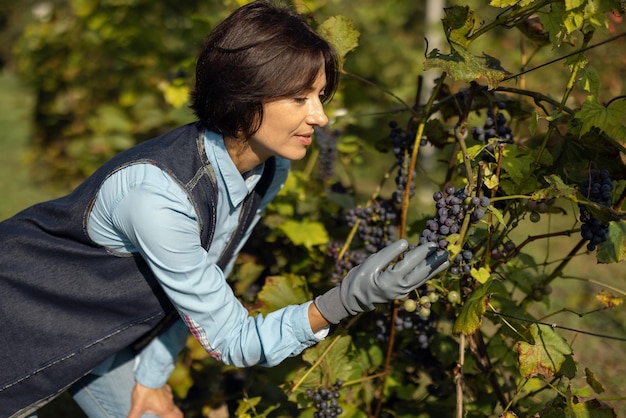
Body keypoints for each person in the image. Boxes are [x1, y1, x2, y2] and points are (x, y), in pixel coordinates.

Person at [0, 1, 449, 417]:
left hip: (100, 337)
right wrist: (344, 301)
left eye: (320, 96)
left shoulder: (267, 171)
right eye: (299, 99)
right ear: (244, 94)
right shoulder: (159, 198)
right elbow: (230, 338)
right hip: (19, 324)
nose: (321, 117)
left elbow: (210, 277)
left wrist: (152, 376)